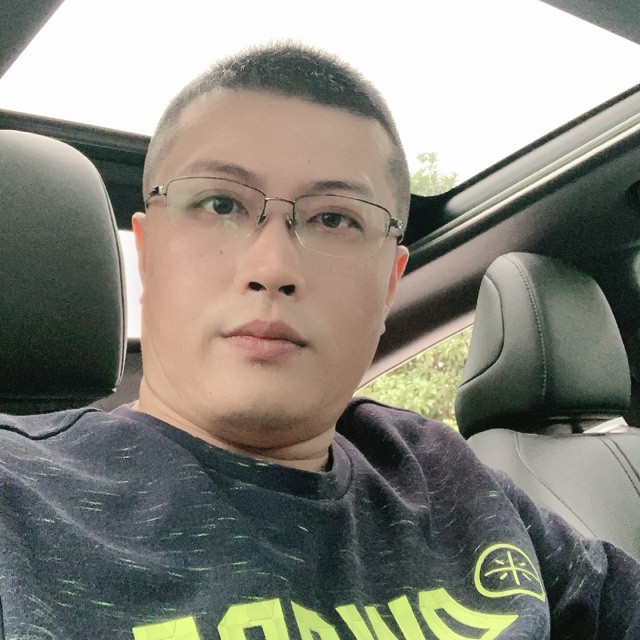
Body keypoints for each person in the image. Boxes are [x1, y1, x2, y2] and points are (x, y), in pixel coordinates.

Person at [0, 43, 639, 640]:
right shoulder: (18, 496)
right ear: (149, 253)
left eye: (335, 218)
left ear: (389, 285)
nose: (273, 267)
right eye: (220, 205)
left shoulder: (452, 482)